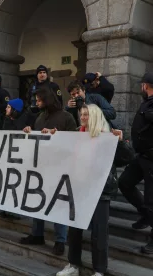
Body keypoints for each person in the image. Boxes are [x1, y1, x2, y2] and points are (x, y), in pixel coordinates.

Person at [56, 104, 133, 276]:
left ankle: (99, 270)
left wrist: (120, 143)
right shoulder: (77, 134)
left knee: (99, 233)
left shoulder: (107, 136)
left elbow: (126, 158)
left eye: (87, 114)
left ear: (96, 116)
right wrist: (50, 136)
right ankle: (73, 265)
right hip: (79, 188)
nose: (83, 117)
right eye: (81, 114)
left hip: (100, 190)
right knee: (75, 230)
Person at [21, 87, 77, 256]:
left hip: (60, 167)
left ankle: (60, 240)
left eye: (39, 100)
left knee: (59, 203)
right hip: (42, 167)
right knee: (37, 199)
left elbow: (74, 142)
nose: (36, 103)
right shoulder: (39, 118)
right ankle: (37, 234)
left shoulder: (66, 117)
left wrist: (56, 137)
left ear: (47, 100)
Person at [118, 72, 153, 254]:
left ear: (145, 86)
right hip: (141, 156)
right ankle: (146, 215)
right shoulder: (146, 102)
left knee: (152, 199)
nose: (141, 87)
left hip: (151, 158)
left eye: (142, 85)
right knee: (124, 182)